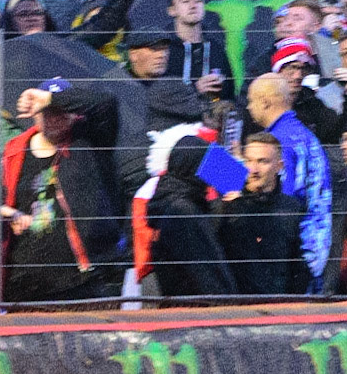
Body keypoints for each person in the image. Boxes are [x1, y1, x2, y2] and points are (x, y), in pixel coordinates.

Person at [0, 80, 125, 303]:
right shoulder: (14, 150)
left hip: (84, 281)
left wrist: (49, 99)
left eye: (61, 111)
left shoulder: (90, 141)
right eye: (47, 112)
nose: (54, 117)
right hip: (26, 283)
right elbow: (3, 199)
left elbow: (106, 102)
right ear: (35, 114)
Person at [246, 73, 333, 293]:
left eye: (251, 101)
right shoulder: (304, 135)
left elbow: (279, 200)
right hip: (317, 245)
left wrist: (220, 171)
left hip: (294, 254)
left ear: (264, 102)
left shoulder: (279, 142)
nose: (248, 107)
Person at [141, 127, 236, 298]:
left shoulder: (167, 198)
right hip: (201, 313)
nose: (210, 173)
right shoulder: (183, 211)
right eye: (206, 166)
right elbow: (210, 277)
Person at [216, 132, 310, 296]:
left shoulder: (293, 209)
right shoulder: (227, 207)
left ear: (279, 166)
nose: (253, 169)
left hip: (281, 306)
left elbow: (301, 266)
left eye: (262, 161)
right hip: (236, 306)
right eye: (248, 161)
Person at [163, 0, 232, 100]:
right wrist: (196, 89)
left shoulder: (216, 49)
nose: (193, 5)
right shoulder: (163, 49)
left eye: (198, 1)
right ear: (172, 10)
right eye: (185, 1)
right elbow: (156, 95)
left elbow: (230, 92)